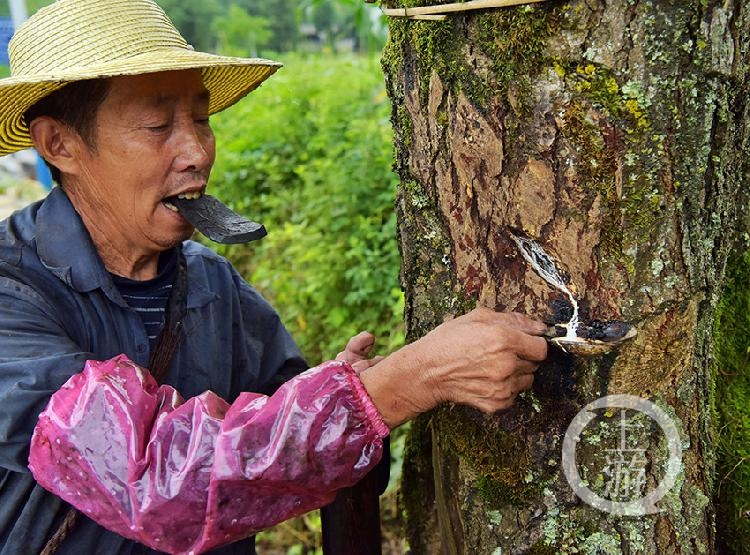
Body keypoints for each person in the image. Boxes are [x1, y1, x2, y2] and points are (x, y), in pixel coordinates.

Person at [0, 1, 548, 554]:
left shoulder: (213, 288)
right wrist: (397, 386)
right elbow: (154, 479)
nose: (197, 152)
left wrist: (345, 390)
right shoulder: (9, 296)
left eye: (202, 119)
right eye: (157, 125)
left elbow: (289, 444)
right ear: (59, 145)